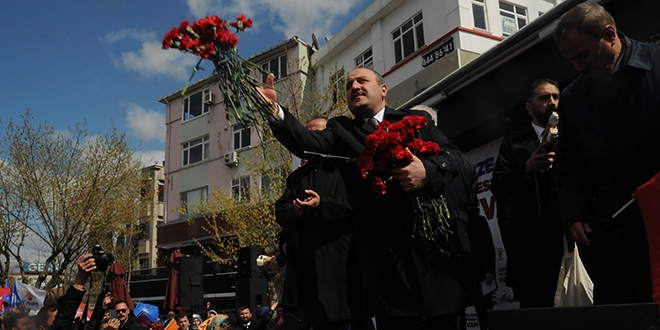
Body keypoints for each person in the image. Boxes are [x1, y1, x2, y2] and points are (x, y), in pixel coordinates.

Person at [262, 67, 474, 329]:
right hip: (387, 271)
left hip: (437, 262)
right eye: (349, 84)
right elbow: (305, 142)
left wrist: (427, 172)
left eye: (362, 80)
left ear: (383, 90)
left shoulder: (417, 121)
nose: (354, 87)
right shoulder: (341, 131)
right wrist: (274, 111)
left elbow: (455, 159)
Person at [553, 2, 660, 305]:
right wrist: (574, 212)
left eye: (583, 55)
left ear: (610, 34)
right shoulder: (573, 98)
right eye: (570, 60)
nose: (577, 67)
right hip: (614, 236)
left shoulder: (657, 66)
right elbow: (568, 165)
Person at [276, 116, 373, 330]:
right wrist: (299, 212)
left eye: (321, 134)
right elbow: (282, 211)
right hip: (310, 288)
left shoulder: (349, 168)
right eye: (310, 135)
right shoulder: (297, 178)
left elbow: (359, 205)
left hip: (348, 282)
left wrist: (323, 206)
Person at [491, 79, 565, 308]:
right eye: (544, 97)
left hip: (568, 239)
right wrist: (525, 169)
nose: (551, 102)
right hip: (531, 249)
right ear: (529, 107)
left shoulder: (571, 134)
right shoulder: (514, 143)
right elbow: (499, 185)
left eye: (555, 97)